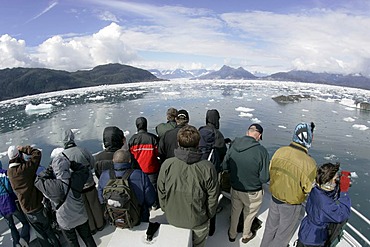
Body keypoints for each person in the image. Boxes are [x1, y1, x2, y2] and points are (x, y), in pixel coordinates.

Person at [157, 125, 219, 247]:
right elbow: (213, 196)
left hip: (172, 218)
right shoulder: (207, 167)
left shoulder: (167, 164)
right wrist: (208, 215)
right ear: (197, 144)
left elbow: (161, 191)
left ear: (178, 143)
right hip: (198, 220)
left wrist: (166, 209)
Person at [260, 122, 318, 247]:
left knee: (270, 228)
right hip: (290, 204)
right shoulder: (309, 163)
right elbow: (308, 188)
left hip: (274, 198)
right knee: (282, 234)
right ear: (308, 137)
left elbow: (270, 171)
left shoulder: (279, 151)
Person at [35, 154, 97, 247]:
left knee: (72, 242)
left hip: (65, 221)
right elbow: (84, 169)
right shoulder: (76, 179)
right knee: (88, 237)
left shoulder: (53, 186)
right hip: (80, 216)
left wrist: (50, 169)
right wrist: (70, 163)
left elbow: (38, 181)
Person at [222, 123, 270, 243]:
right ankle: (246, 235)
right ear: (259, 135)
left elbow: (225, 166)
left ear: (247, 132)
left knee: (235, 211)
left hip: (235, 188)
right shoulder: (262, 151)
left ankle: (232, 234)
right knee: (249, 214)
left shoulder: (233, 146)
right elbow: (264, 178)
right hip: (253, 191)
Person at [7, 145, 61, 247]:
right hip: (37, 205)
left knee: (40, 234)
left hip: (26, 209)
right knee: (48, 230)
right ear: (19, 155)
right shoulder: (25, 168)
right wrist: (23, 149)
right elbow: (37, 153)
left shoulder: (10, 173)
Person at [297, 163, 351, 247]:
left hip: (305, 231)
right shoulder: (325, 205)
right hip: (314, 240)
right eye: (335, 179)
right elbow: (343, 214)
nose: (337, 181)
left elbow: (329, 192)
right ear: (329, 182)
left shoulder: (316, 189)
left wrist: (339, 180)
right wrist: (344, 192)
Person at [62, 129, 105, 234]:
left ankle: (92, 228)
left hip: (76, 187)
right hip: (89, 182)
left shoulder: (63, 155)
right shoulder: (82, 150)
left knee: (84, 208)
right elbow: (92, 163)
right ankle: (100, 224)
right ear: (73, 138)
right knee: (94, 204)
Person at [97, 149, 156, 222]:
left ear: (113, 160)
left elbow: (101, 198)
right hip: (139, 216)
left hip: (114, 216)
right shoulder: (140, 175)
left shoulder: (104, 175)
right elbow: (151, 198)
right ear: (129, 161)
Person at [198, 109, 228, 236]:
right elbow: (222, 153)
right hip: (211, 171)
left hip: (199, 168)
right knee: (212, 197)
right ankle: (211, 229)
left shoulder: (200, 131)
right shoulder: (217, 134)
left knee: (200, 195)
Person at [129, 117, 160, 208]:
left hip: (138, 169)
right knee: (153, 187)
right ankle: (154, 204)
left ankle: (143, 204)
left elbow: (130, 154)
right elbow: (158, 152)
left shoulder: (132, 140)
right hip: (152, 168)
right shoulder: (152, 138)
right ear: (146, 125)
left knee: (140, 188)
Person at [0, 160, 30, 247]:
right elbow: (10, 187)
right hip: (10, 202)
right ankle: (23, 239)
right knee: (24, 222)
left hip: (1, 207)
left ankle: (16, 243)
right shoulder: (5, 173)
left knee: (11, 226)